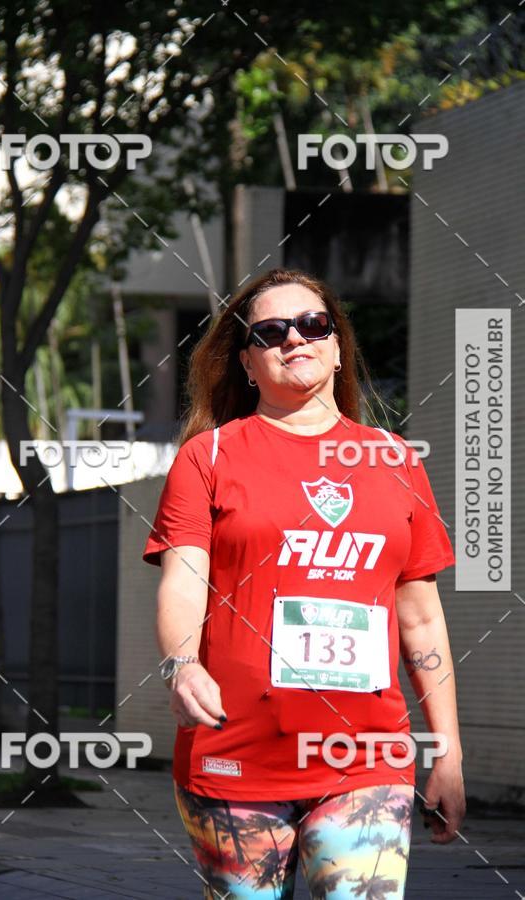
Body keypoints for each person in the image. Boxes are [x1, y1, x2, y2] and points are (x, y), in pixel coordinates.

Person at [142, 268, 465, 899]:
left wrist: (447, 752)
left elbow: (421, 617)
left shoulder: (395, 462)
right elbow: (183, 583)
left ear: (338, 345)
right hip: (234, 756)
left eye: (313, 324)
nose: (295, 339)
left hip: (367, 758)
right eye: (270, 332)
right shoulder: (207, 458)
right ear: (246, 362)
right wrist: (181, 665)